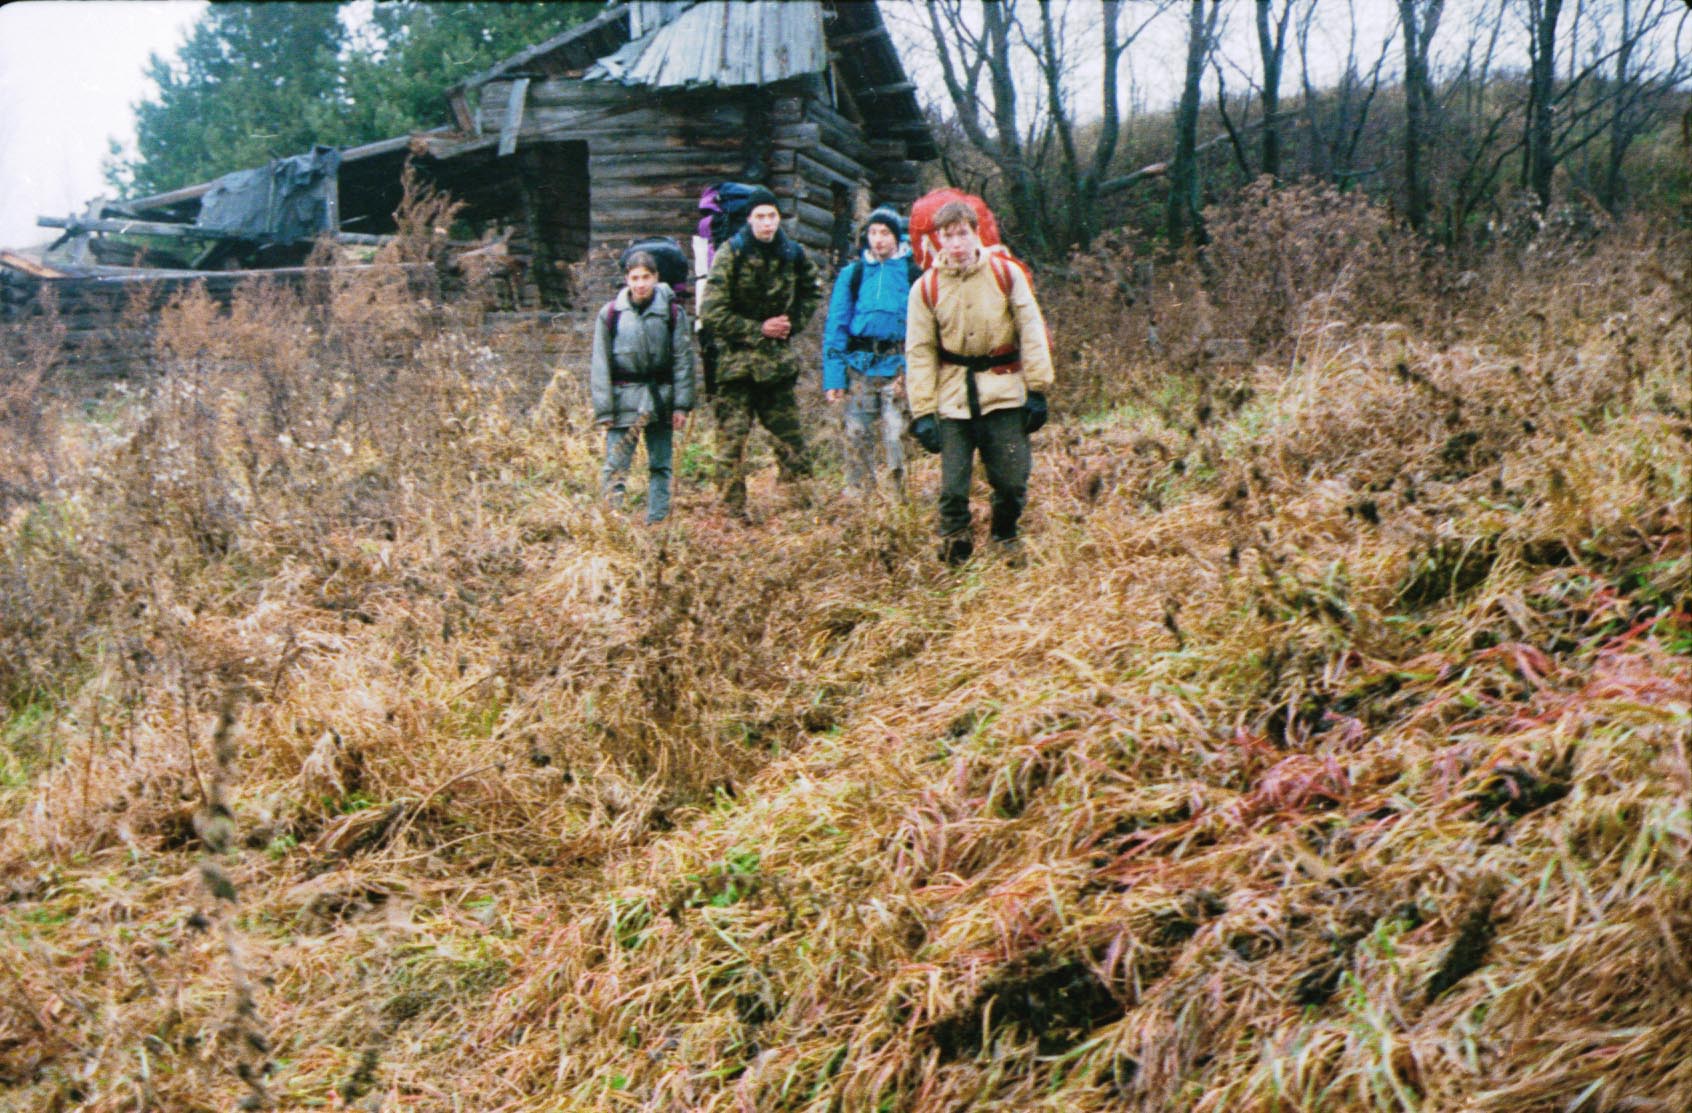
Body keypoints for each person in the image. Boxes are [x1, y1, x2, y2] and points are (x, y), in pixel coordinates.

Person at [905, 200, 1053, 565]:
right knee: (953, 488)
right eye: (948, 236)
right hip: (953, 398)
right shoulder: (925, 288)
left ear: (976, 233)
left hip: (1003, 391)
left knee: (1012, 480)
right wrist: (922, 412)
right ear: (938, 240)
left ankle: (1005, 536)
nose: (956, 243)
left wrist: (1037, 389)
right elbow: (920, 350)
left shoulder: (1006, 274)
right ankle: (955, 550)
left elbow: (1031, 329)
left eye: (962, 234)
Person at [698, 186, 822, 520]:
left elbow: (812, 291)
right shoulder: (732, 252)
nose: (767, 223)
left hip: (776, 367)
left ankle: (800, 511)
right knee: (731, 446)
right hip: (736, 368)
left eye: (772, 216)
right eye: (760, 216)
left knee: (791, 442)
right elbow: (711, 312)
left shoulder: (792, 253)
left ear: (779, 218)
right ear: (749, 219)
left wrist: (790, 324)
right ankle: (730, 516)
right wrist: (758, 329)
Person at [822, 206, 922, 499]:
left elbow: (924, 328)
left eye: (885, 233)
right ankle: (859, 496)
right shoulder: (853, 274)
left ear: (896, 237)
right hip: (861, 368)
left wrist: (913, 373)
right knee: (856, 433)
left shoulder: (911, 273)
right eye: (873, 233)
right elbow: (836, 326)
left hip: (898, 369)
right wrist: (834, 379)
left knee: (895, 435)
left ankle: (897, 498)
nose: (878, 239)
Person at [589, 250, 694, 524]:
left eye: (646, 277)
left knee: (661, 465)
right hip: (623, 399)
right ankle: (612, 520)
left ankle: (657, 519)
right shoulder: (610, 314)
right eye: (635, 278)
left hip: (660, 399)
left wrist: (681, 405)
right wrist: (604, 410)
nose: (640, 284)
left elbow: (683, 360)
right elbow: (600, 363)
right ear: (627, 279)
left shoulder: (672, 313)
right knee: (616, 465)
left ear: (656, 278)